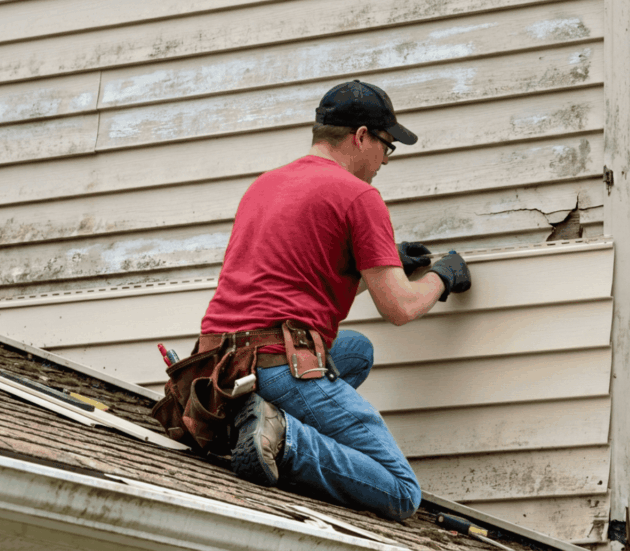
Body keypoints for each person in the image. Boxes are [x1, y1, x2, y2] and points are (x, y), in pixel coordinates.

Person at [198, 79, 472, 521]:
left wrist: (380, 265)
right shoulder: (359, 196)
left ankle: (251, 421)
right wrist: (442, 278)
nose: (385, 159)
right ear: (361, 136)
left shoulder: (265, 186)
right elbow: (399, 307)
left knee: (356, 352)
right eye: (386, 145)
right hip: (279, 363)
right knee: (401, 491)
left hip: (221, 367)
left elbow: (302, 280)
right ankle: (284, 437)